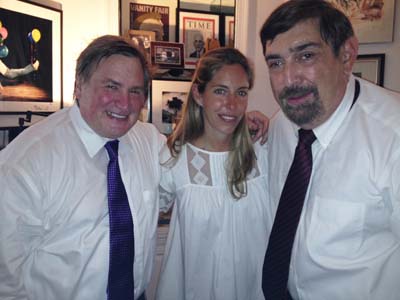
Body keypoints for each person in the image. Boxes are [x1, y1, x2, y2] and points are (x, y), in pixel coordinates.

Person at [0, 35, 164, 299]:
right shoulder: (25, 164)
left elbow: (193, 158)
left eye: (135, 91)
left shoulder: (147, 140)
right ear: (79, 85)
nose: (124, 104)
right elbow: (5, 281)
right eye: (111, 86)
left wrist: (238, 128)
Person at [259, 1, 400, 299]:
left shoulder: (393, 138)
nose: (288, 80)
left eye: (306, 56)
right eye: (276, 63)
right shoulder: (282, 126)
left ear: (347, 56)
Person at [156, 47, 269, 300]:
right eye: (220, 91)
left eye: (241, 93)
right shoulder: (174, 158)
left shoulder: (264, 152)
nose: (232, 105)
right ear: (198, 94)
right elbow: (141, 217)